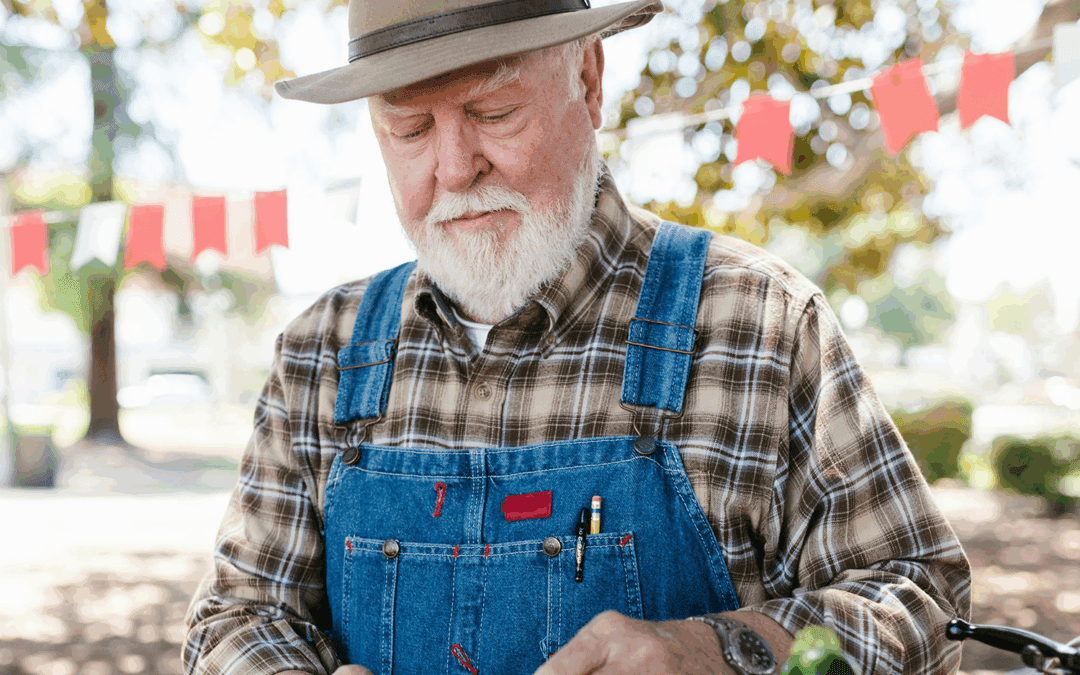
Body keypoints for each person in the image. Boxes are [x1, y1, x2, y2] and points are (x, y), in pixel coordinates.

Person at [183, 0, 972, 674]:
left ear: (588, 81)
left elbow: (922, 599)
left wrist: (721, 650)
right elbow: (234, 620)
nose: (455, 168)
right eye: (410, 129)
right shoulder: (320, 353)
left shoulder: (759, 320)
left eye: (493, 114)